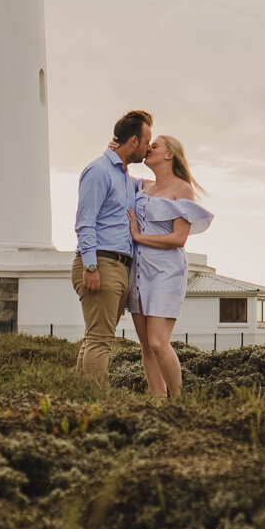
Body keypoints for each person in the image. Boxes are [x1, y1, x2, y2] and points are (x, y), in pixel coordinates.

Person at [126, 134, 211, 400]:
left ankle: (179, 399)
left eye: (155, 145)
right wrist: (116, 147)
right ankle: (158, 402)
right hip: (139, 271)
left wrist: (139, 236)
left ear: (169, 154)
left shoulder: (182, 189)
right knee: (146, 347)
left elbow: (178, 238)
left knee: (158, 342)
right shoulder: (142, 186)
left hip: (166, 272)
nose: (148, 148)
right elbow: (116, 171)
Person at [71, 109, 151, 383]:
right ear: (133, 142)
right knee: (101, 339)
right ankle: (94, 401)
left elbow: (151, 185)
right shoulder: (99, 171)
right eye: (146, 141)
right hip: (101, 263)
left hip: (118, 266)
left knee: (96, 336)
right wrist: (91, 266)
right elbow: (85, 222)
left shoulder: (125, 178)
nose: (148, 148)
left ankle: (79, 393)